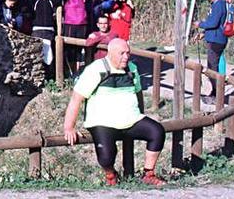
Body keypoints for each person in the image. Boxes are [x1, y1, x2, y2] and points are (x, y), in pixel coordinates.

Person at [63, 39, 166, 186]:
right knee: (106, 157)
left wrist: (141, 114)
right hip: (102, 122)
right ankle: (111, 175)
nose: (126, 57)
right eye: (122, 53)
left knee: (157, 132)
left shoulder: (132, 69)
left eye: (128, 53)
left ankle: (148, 174)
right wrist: (69, 127)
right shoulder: (95, 69)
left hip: (131, 119)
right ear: (110, 53)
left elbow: (138, 93)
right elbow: (76, 99)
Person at [62, 0, 103, 73]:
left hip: (82, 26)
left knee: (79, 51)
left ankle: (77, 72)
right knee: (70, 50)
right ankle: (69, 72)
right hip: (70, 25)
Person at [193, 0, 227, 104]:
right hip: (216, 38)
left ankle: (217, 96)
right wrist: (203, 33)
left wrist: (200, 24)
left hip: (216, 40)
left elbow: (213, 23)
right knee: (213, 67)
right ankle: (214, 93)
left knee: (213, 69)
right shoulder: (220, 4)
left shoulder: (219, 5)